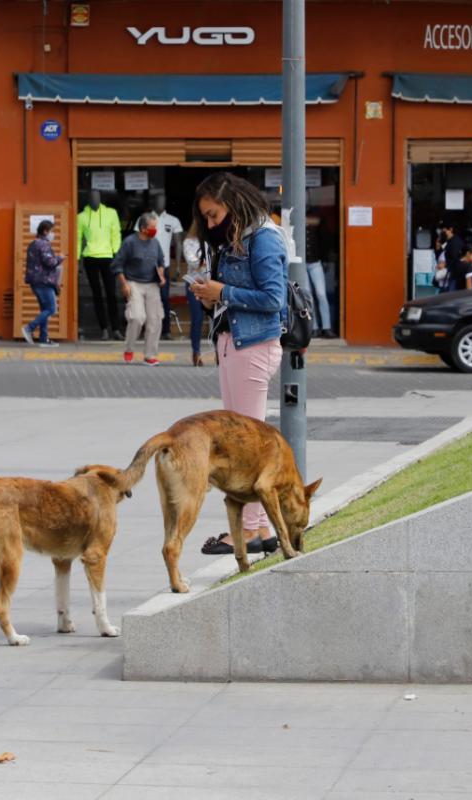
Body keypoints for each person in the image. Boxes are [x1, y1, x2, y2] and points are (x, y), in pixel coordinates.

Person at [188, 172, 288, 556]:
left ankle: (246, 530)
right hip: (233, 341)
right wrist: (210, 297)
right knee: (240, 439)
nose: (212, 225)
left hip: (253, 345)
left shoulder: (262, 237)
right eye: (207, 219)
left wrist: (223, 291)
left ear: (234, 204)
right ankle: (260, 527)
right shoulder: (237, 238)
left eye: (214, 216)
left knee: (245, 445)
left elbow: (272, 298)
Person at [112, 212, 166, 365]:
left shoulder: (155, 243)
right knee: (136, 317)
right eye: (152, 227)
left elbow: (161, 263)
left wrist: (161, 276)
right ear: (143, 228)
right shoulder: (130, 242)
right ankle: (129, 348)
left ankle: (150, 355)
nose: (155, 230)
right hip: (133, 283)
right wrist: (124, 284)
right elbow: (117, 265)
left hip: (152, 284)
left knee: (155, 319)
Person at [77, 189, 123, 340]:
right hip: (90, 257)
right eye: (91, 198)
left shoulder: (111, 213)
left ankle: (116, 328)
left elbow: (116, 233)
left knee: (111, 294)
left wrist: (116, 253)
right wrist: (78, 259)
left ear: (100, 199)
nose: (94, 200)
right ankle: (104, 328)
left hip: (108, 257)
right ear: (88, 199)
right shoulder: (82, 217)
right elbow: (78, 239)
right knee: (96, 294)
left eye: (96, 197)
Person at [21, 219, 63, 347]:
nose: (53, 234)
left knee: (45, 309)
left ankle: (44, 338)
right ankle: (29, 328)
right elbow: (50, 262)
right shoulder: (43, 244)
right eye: (52, 231)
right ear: (45, 231)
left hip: (36, 282)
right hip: (44, 281)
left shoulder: (33, 243)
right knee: (51, 309)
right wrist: (60, 258)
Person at [150, 192, 183, 339]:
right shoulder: (145, 219)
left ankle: (166, 330)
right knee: (148, 298)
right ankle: (149, 331)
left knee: (164, 298)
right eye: (157, 200)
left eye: (162, 200)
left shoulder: (173, 220)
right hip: (147, 265)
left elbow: (178, 243)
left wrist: (177, 266)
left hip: (165, 265)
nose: (160, 203)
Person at [304, 210, 335, 339]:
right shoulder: (292, 219)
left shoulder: (316, 219)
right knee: (308, 296)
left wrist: (326, 259)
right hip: (301, 264)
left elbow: (324, 240)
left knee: (321, 294)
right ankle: (314, 327)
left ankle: (326, 327)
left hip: (316, 262)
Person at [182, 225, 207, 367]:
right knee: (197, 319)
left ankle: (218, 352)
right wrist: (205, 262)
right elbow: (192, 261)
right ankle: (196, 351)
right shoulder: (189, 242)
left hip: (211, 283)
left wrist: (204, 263)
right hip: (194, 283)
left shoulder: (213, 240)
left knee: (215, 319)